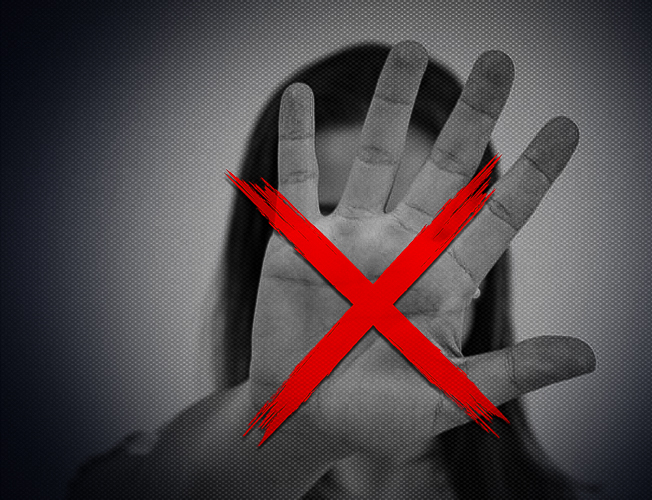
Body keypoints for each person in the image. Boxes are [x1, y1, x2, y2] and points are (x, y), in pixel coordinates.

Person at [67, 41, 595, 499]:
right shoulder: (155, 475)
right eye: (333, 239)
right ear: (262, 260)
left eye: (430, 232)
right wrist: (292, 435)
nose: (386, 269)